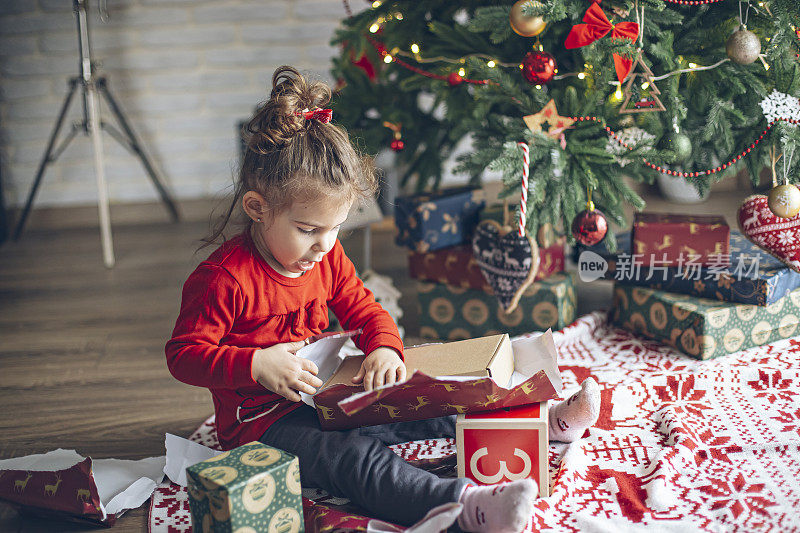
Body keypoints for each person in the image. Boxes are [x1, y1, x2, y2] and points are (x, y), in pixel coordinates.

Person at [166, 65, 599, 533]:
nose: (323, 246)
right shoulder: (223, 280)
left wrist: (384, 347)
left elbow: (366, 308)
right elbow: (183, 356)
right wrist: (255, 365)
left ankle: (541, 421)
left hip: (326, 396)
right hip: (261, 426)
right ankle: (465, 507)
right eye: (308, 230)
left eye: (335, 229)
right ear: (258, 208)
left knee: (424, 399)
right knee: (352, 456)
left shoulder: (325, 257)